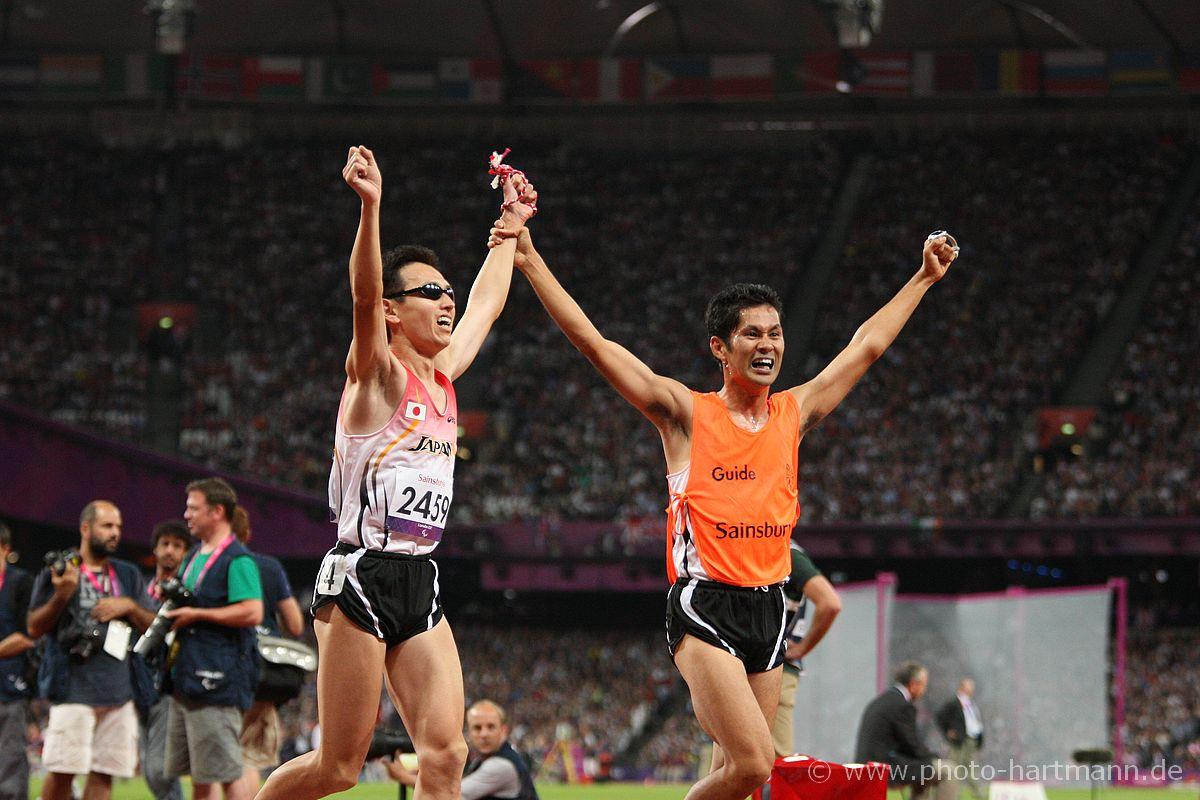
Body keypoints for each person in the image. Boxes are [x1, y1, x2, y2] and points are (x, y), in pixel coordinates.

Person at [488, 214, 957, 799]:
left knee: (733, 779)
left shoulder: (794, 413)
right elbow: (595, 344)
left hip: (769, 610)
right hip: (706, 603)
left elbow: (867, 347)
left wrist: (922, 279)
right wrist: (529, 259)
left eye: (776, 333)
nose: (768, 345)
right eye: (753, 334)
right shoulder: (684, 414)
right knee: (755, 765)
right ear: (721, 346)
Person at [254, 145, 536, 800]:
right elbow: (362, 292)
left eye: (449, 292)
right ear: (391, 309)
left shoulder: (445, 376)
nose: (447, 302)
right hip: (361, 575)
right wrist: (371, 207)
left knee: (446, 754)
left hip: (419, 575)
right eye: (431, 292)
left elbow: (488, 306)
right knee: (339, 769)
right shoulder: (377, 378)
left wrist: (511, 228)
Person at [27, 501, 156, 800]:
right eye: (107, 526)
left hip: (119, 692)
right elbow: (34, 627)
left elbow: (152, 624)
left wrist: (129, 605)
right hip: (73, 689)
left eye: (118, 527)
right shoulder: (59, 569)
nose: (115, 533)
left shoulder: (127, 574)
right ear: (86, 528)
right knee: (61, 773)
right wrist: (62, 595)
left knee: (104, 774)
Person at [164, 478, 264, 800]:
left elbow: (252, 611)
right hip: (189, 678)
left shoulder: (238, 558)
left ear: (217, 512)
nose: (187, 514)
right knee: (200, 771)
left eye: (194, 508)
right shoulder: (195, 554)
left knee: (226, 772)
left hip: (217, 680)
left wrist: (198, 615)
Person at [230, 508, 304, 794]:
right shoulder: (269, 567)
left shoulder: (212, 564)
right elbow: (296, 625)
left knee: (221, 757)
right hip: (262, 672)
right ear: (247, 534)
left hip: (221, 664)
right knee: (247, 756)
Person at [386, 700, 538, 800]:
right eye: (477, 728)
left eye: (491, 727)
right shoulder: (484, 760)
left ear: (504, 730)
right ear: (469, 733)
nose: (483, 734)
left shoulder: (500, 766)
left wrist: (405, 777)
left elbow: (452, 794)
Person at [772, 541, 841, 757]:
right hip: (762, 665)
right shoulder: (772, 547)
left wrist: (801, 648)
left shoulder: (786, 552)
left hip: (774, 667)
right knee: (740, 759)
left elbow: (830, 603)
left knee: (773, 761)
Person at [139, 520, 192, 800]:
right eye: (165, 544)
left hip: (171, 686)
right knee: (150, 769)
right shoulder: (142, 592)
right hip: (139, 685)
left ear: (185, 553)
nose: (170, 551)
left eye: (177, 545)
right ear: (156, 549)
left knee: (159, 770)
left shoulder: (187, 595)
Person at [855, 662, 954, 800]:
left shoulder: (882, 700)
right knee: (948, 770)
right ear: (914, 684)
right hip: (883, 768)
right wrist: (934, 758)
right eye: (924, 685)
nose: (924, 690)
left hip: (867, 765)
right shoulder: (902, 705)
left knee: (924, 770)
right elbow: (912, 745)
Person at [0, 522, 35, 800]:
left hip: (10, 688)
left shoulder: (21, 582)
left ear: (5, 549)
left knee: (10, 770)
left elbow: (27, 637)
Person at [936, 679, 985, 800]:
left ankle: (978, 794)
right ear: (961, 688)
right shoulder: (954, 703)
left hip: (971, 740)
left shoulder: (971, 704)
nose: (970, 690)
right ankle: (951, 794)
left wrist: (979, 738)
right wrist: (948, 731)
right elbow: (940, 716)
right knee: (954, 768)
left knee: (971, 768)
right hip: (959, 741)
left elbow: (974, 722)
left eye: (971, 688)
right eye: (968, 687)